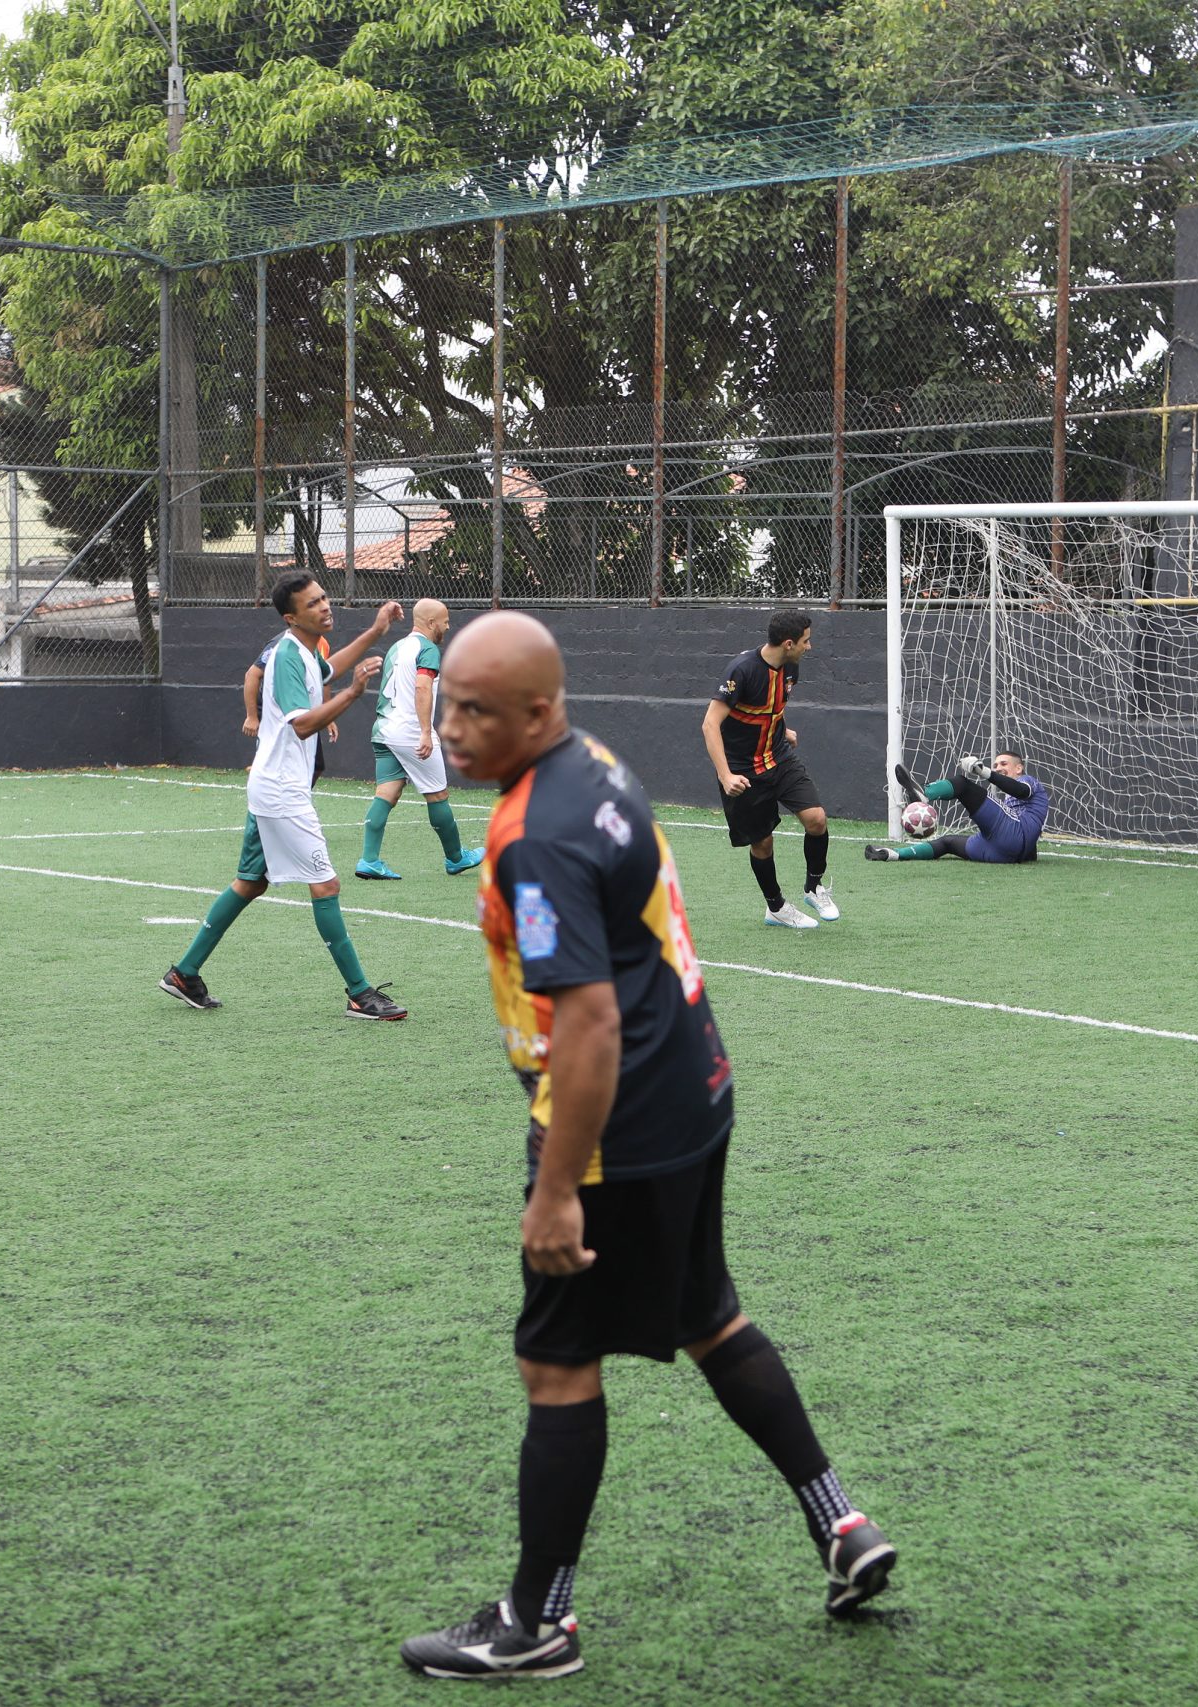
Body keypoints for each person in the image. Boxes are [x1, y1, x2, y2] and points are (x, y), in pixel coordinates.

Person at [399, 612, 895, 1681]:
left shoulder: (531, 832)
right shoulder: (597, 762)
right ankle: (841, 1523)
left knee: (556, 1361)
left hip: (612, 1124)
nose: (451, 728)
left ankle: (537, 1622)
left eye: (475, 710)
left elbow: (584, 1023)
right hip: (695, 1086)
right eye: (446, 706)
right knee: (707, 1314)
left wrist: (558, 1191)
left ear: (538, 711)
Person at [158, 577, 407, 1020]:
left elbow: (328, 670)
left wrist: (374, 632)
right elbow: (302, 725)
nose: (325, 607)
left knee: (251, 883)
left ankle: (184, 973)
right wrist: (352, 694)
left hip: (271, 787)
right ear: (292, 617)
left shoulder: (308, 649)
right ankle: (359, 994)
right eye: (314, 604)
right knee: (326, 886)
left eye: (325, 598)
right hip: (282, 793)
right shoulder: (289, 654)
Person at [702, 610, 833, 929]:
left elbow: (770, 708)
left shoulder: (791, 669)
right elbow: (710, 724)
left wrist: (782, 728)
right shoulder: (741, 671)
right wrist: (725, 775)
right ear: (788, 643)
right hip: (743, 771)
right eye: (806, 641)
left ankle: (814, 887)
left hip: (779, 758)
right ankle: (775, 907)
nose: (809, 647)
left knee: (816, 819)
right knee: (762, 843)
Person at [354, 598, 482, 881]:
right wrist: (425, 732)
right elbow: (422, 686)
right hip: (411, 733)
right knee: (437, 794)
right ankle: (456, 858)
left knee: (387, 792)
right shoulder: (428, 649)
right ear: (431, 623)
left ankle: (369, 860)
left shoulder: (397, 647)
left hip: (384, 730)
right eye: (445, 621)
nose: (448, 627)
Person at [866, 752, 1052, 864]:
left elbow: (1019, 790)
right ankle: (894, 855)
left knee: (962, 784)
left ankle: (924, 794)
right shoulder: (1015, 803)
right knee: (948, 842)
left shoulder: (1029, 782)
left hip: (1013, 834)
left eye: (1004, 764)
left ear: (1019, 768)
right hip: (1003, 852)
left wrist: (983, 771)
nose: (997, 768)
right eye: (995, 765)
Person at [242, 625, 334, 777]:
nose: (324, 609)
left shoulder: (322, 644)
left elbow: (325, 677)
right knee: (277, 764)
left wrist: (327, 714)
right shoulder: (281, 644)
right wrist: (251, 716)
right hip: (280, 711)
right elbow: (252, 675)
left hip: (303, 711)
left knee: (316, 765)